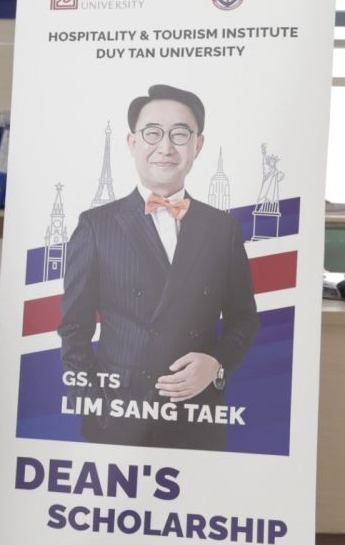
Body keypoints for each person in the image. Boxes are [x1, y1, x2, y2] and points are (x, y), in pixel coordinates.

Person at [57, 84, 260, 451]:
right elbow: (74, 327)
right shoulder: (96, 225)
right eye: (153, 133)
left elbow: (243, 319)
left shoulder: (223, 228)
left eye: (180, 134)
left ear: (198, 145)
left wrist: (217, 364)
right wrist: (92, 401)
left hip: (197, 413)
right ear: (133, 142)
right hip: (117, 413)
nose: (166, 147)